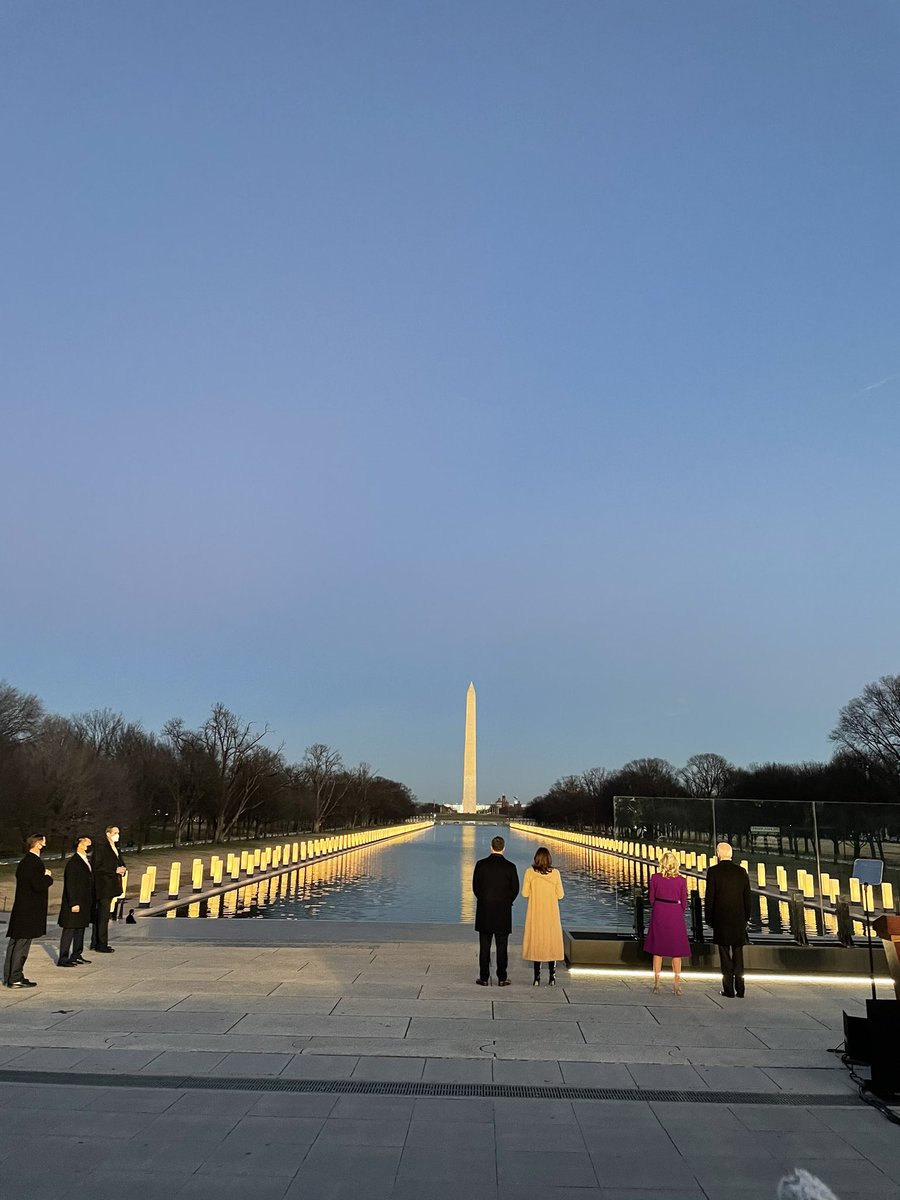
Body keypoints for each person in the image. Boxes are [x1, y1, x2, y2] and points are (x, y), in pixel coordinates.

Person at [3, 834, 53, 989]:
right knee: (22, 944)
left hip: (22, 909)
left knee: (15, 943)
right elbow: (37, 885)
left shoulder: (24, 862)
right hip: (29, 910)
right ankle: (15, 977)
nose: (45, 845)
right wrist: (48, 877)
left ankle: (10, 976)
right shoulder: (34, 862)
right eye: (43, 842)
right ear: (37, 843)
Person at [705, 841, 752, 998]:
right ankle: (741, 988)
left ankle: (728, 989)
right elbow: (747, 898)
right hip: (738, 920)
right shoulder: (741, 872)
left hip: (721, 919)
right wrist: (746, 917)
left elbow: (710, 897)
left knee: (724, 955)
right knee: (738, 954)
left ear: (718, 854)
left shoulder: (713, 872)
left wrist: (708, 918)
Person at [472, 834, 519, 986]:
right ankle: (502, 978)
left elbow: (475, 887)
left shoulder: (480, 865)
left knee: (484, 947)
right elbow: (515, 890)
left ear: (490, 847)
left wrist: (484, 899)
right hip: (503, 913)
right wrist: (506, 902)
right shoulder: (510, 867)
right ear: (503, 848)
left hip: (484, 911)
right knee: (502, 946)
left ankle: (484, 978)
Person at [643, 848, 690, 994]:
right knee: (676, 950)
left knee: (658, 949)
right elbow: (684, 902)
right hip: (675, 912)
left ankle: (656, 982)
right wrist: (677, 910)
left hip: (659, 911)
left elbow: (651, 898)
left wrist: (658, 906)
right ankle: (677, 983)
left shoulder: (655, 878)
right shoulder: (681, 880)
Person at [521, 846, 564, 986]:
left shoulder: (529, 872)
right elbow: (561, 895)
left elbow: (525, 894)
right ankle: (552, 977)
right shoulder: (556, 873)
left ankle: (537, 978)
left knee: (537, 944)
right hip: (551, 915)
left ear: (536, 858)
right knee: (552, 944)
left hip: (536, 913)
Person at [58, 836, 94, 967]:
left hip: (84, 902)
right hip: (75, 902)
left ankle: (76, 954)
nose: (89, 846)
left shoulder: (86, 861)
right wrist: (73, 902)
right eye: (87, 844)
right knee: (70, 929)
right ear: (79, 845)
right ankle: (63, 957)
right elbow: (70, 884)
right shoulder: (74, 862)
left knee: (80, 929)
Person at [90, 824, 126, 953]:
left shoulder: (115, 848)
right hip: (104, 886)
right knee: (103, 915)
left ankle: (96, 941)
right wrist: (114, 870)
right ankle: (101, 943)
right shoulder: (101, 848)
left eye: (118, 832)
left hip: (111, 885)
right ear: (108, 834)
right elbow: (97, 867)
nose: (118, 835)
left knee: (102, 915)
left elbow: (120, 863)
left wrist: (122, 869)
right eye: (115, 832)